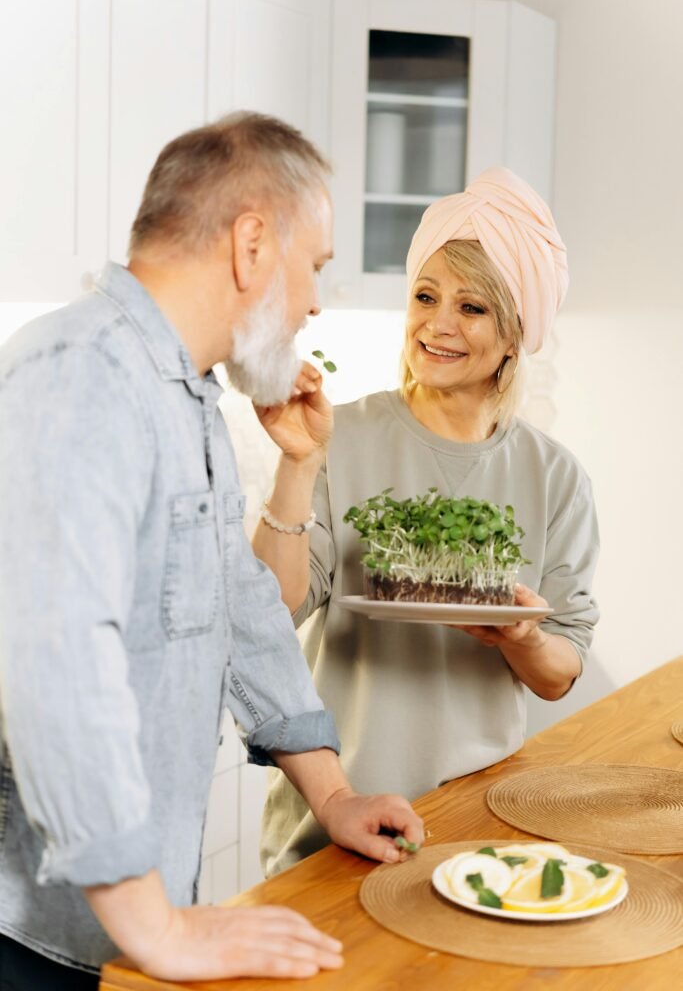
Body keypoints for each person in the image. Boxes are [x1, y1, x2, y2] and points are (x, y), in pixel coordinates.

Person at [0, 112, 423, 990]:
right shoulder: (80, 370)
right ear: (253, 244)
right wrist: (157, 929)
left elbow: (241, 608)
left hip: (115, 932)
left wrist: (332, 796)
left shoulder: (181, 395)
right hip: (34, 940)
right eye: (315, 267)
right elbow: (55, 659)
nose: (314, 302)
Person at [253, 167, 600, 877]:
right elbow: (270, 608)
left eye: (472, 307)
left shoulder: (554, 476)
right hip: (334, 821)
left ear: (514, 335)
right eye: (424, 296)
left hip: (476, 821)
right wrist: (296, 465)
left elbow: (560, 670)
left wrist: (523, 639)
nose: (439, 323)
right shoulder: (334, 436)